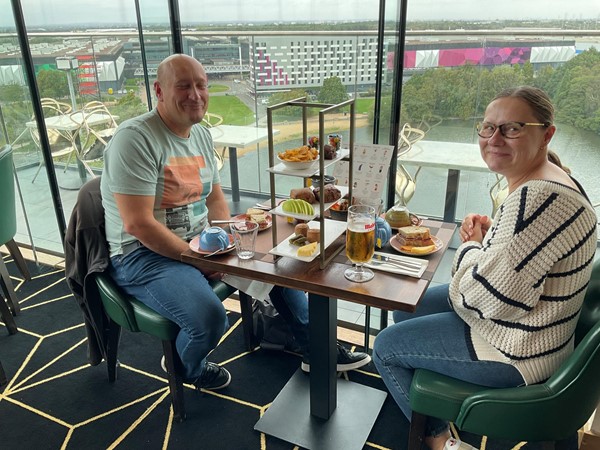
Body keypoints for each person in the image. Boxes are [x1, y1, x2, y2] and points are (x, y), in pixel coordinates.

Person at [100, 54, 369, 392]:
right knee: (209, 319)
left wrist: (228, 238)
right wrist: (198, 258)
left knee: (281, 261)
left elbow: (213, 198)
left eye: (201, 85)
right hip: (142, 255)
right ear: (159, 91)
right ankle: (186, 365)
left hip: (200, 241)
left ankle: (315, 349)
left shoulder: (198, 134)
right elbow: (137, 224)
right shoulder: (135, 139)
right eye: (183, 86)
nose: (195, 95)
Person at [372, 86, 597, 450]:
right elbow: (520, 262)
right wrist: (492, 243)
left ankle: (438, 439)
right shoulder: (551, 181)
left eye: (512, 128)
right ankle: (435, 406)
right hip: (536, 326)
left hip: (520, 348)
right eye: (488, 127)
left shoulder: (538, 198)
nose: (495, 138)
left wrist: (472, 247)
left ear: (546, 134)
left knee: (384, 348)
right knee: (409, 308)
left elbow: (484, 299)